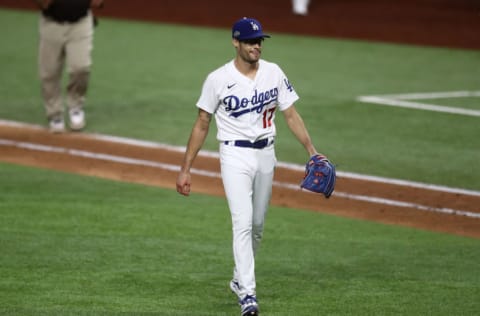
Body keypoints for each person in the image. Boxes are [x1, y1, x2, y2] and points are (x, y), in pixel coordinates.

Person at [176, 17, 327, 316]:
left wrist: (312, 151)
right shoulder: (217, 79)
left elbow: (291, 115)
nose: (256, 46)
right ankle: (248, 294)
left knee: (257, 226)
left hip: (266, 155)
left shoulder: (273, 73)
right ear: (236, 42)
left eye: (259, 41)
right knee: (242, 222)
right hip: (234, 157)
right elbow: (202, 123)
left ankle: (237, 278)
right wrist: (186, 168)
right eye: (249, 41)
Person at [34, 0, 104, 133]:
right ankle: (54, 113)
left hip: (80, 23)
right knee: (49, 72)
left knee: (81, 67)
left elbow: (98, 2)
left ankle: (76, 106)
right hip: (51, 24)